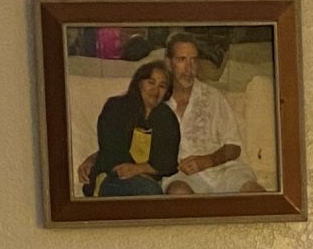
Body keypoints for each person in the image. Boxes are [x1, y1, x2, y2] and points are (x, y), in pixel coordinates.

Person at [161, 33, 263, 196]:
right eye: (181, 60)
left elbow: (234, 146)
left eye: (193, 60)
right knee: (178, 192)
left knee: (253, 191)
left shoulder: (213, 96)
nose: (189, 68)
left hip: (224, 171)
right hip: (183, 175)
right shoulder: (158, 101)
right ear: (168, 63)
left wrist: (208, 160)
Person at [82, 56, 180, 197]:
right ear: (139, 83)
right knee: (149, 191)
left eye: (162, 86)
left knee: (152, 191)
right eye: (151, 82)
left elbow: (169, 162)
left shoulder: (167, 117)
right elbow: (111, 153)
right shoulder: (116, 108)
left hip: (149, 181)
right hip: (111, 177)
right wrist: (139, 171)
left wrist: (140, 169)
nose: (156, 90)